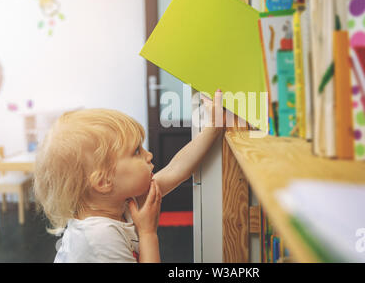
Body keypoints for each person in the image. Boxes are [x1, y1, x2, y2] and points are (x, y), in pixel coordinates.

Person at [34, 89, 225, 263]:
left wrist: (213, 128)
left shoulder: (119, 201)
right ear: (103, 181)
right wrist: (148, 232)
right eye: (136, 151)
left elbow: (176, 170)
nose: (148, 155)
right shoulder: (98, 237)